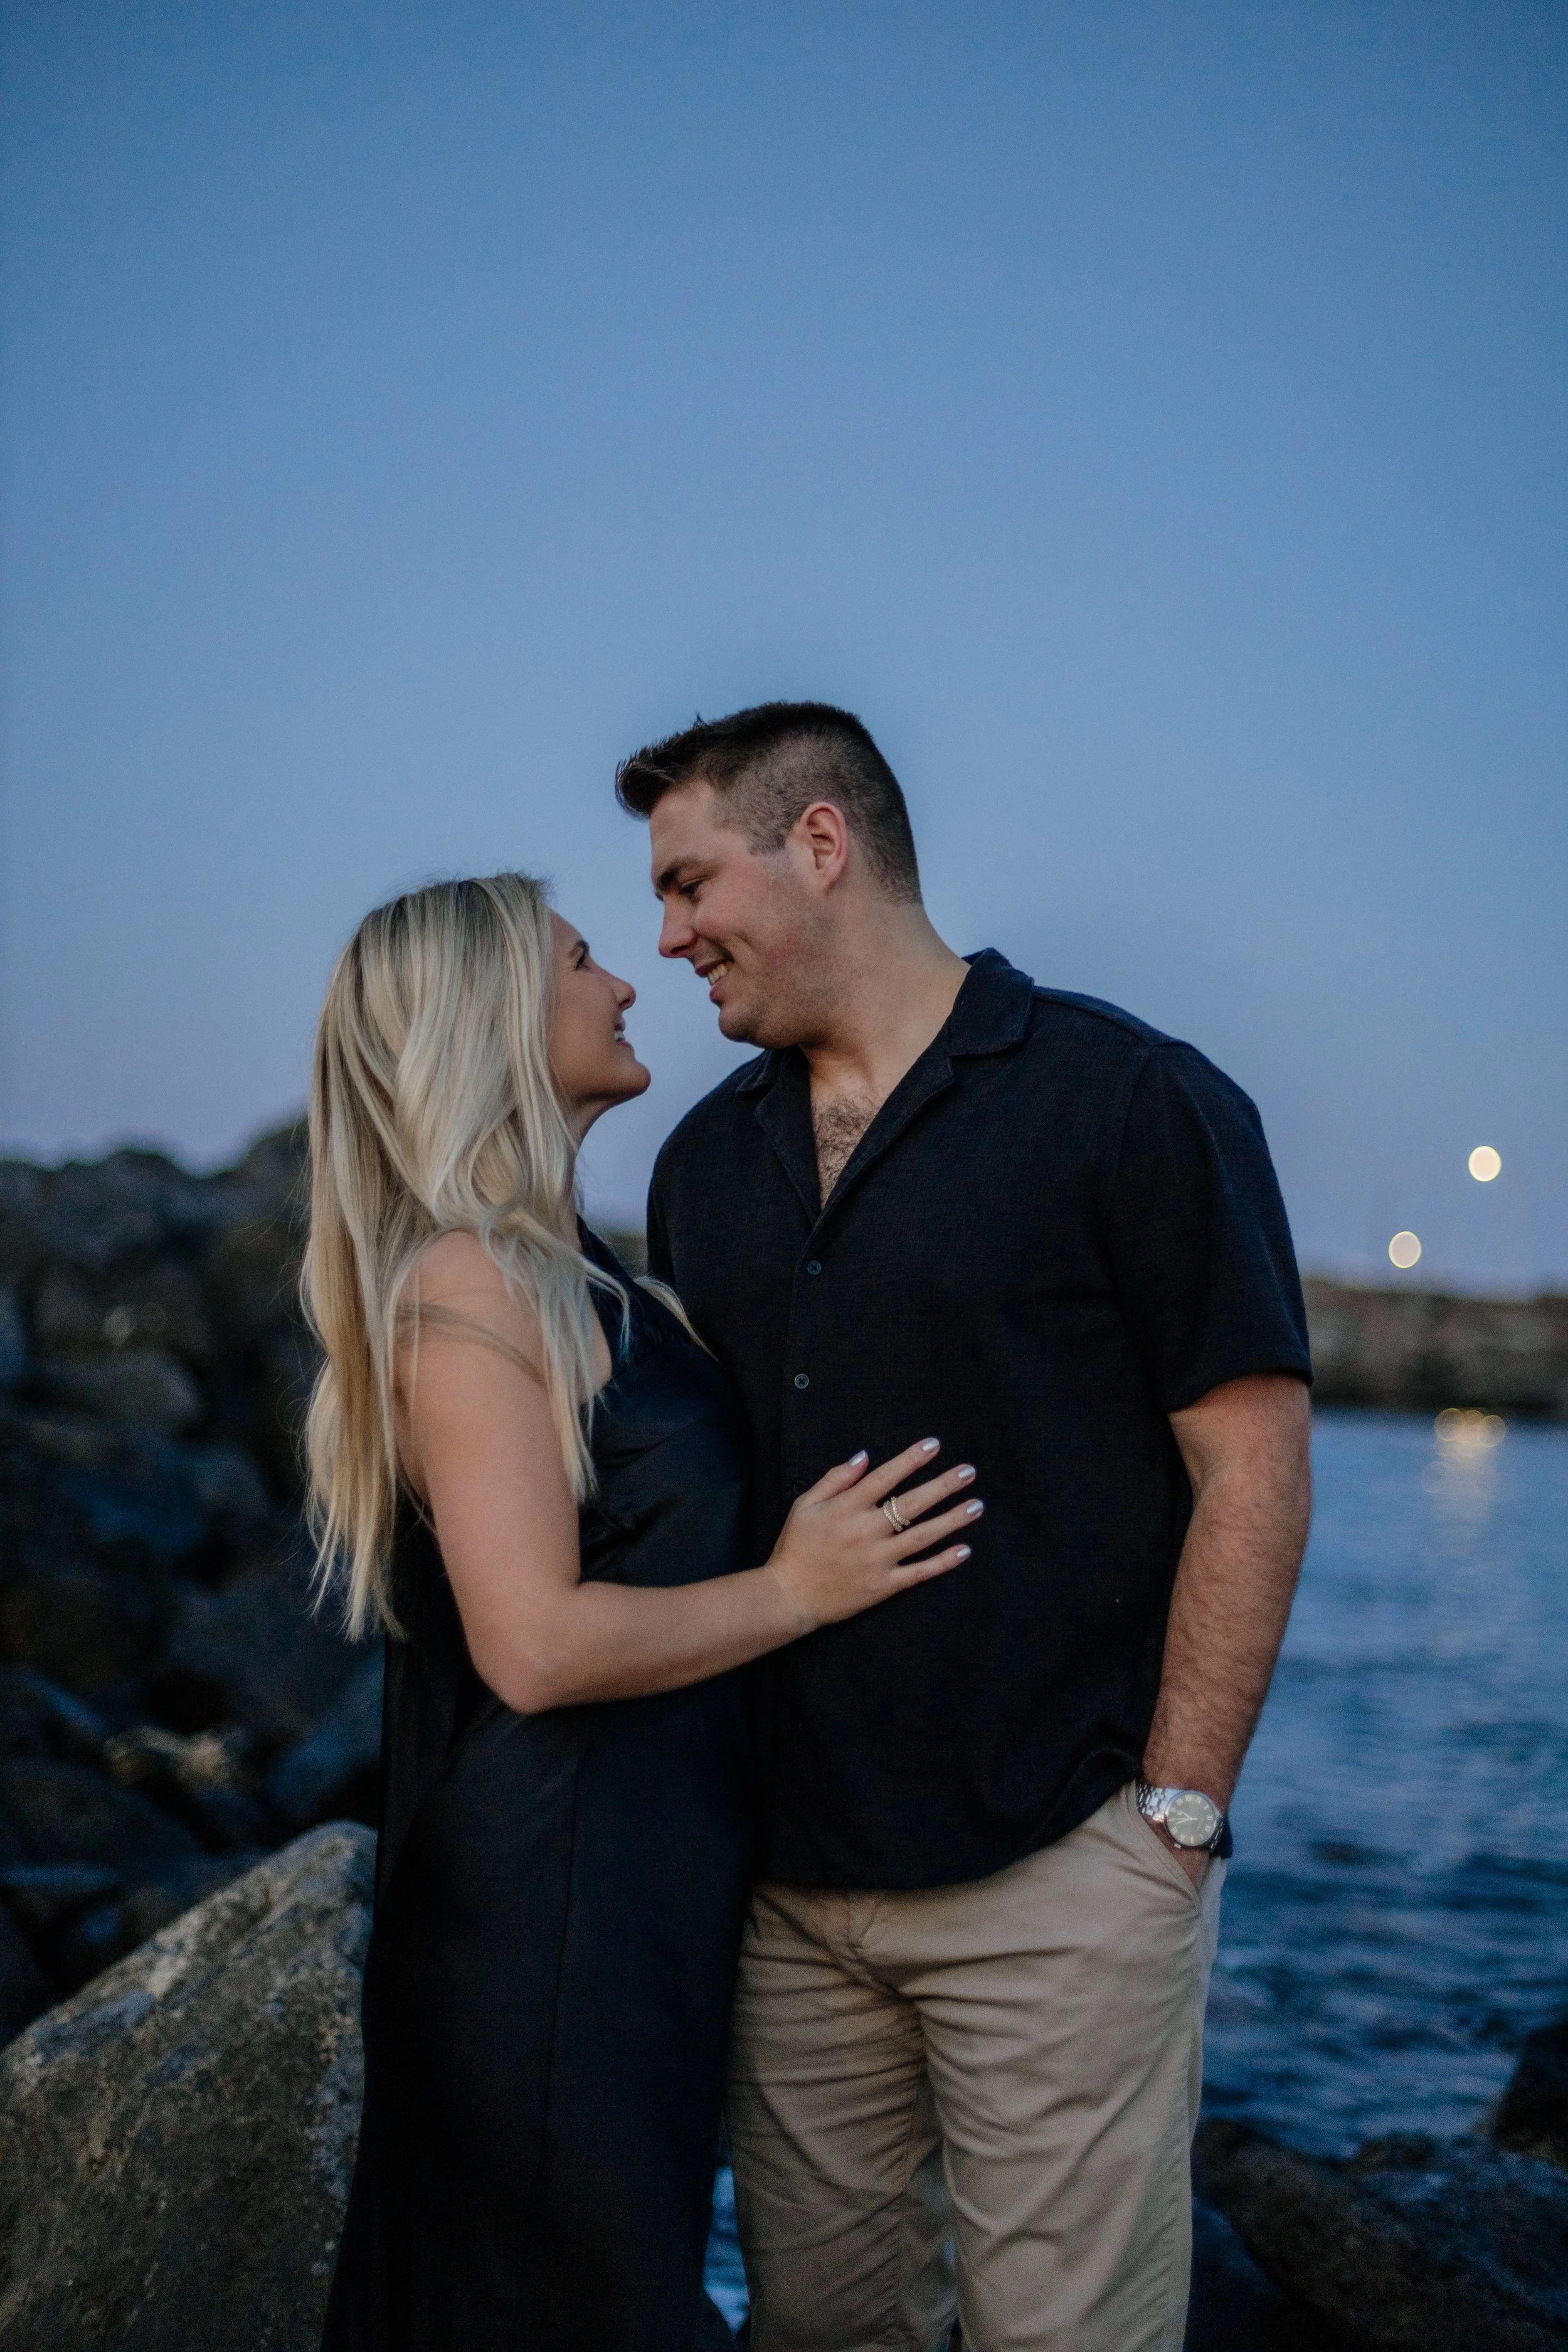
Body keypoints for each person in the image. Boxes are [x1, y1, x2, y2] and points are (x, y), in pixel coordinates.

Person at [615, 704, 1315, 2352]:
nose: (664, 936)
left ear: (819, 843)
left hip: (1059, 1880)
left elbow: (1255, 1463)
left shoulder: (1126, 1099)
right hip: (790, 1901)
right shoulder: (704, 1164)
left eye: (685, 879)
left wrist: (1176, 1820)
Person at [306, 873, 984, 2352]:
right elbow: (534, 1647)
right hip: (548, 1922)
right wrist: (794, 1591)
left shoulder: (577, 1276)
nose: (625, 981)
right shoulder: (473, 1283)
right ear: (492, 1018)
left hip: (635, 1903)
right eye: (579, 959)